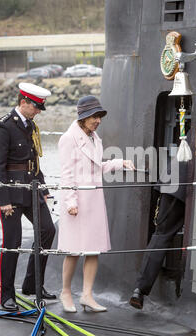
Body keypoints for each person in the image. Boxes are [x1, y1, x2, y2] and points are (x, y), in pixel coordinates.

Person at [58, 95, 135, 313]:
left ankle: (87, 295)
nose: (98, 120)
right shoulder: (68, 139)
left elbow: (95, 167)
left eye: (99, 116)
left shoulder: (95, 138)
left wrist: (119, 163)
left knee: (93, 250)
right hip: (76, 202)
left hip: (94, 201)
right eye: (94, 116)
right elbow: (66, 174)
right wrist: (71, 201)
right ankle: (65, 292)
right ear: (82, 117)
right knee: (72, 250)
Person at [0, 82, 56, 311]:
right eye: (35, 107)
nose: (38, 111)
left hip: (31, 189)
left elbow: (34, 163)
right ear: (23, 102)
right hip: (9, 193)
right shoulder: (4, 127)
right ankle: (7, 296)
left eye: (39, 108)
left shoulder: (31, 126)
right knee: (12, 243)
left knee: (48, 230)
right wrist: (3, 199)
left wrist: (44, 191)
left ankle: (32, 284)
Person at [129, 144, 189, 310]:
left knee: (161, 236)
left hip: (173, 185)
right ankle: (139, 290)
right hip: (180, 186)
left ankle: (139, 290)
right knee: (162, 235)